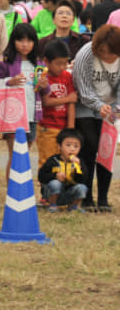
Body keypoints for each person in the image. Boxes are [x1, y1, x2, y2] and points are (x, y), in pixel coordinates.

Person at [72, 24, 120, 212]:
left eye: (110, 53)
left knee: (106, 150)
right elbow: (83, 88)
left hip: (112, 107)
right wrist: (99, 106)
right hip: (85, 105)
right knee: (89, 146)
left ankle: (103, 198)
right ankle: (87, 197)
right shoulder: (86, 54)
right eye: (102, 52)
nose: (105, 56)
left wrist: (115, 110)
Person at [0, 23, 40, 180]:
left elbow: (44, 91)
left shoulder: (38, 64)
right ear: (13, 41)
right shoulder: (6, 64)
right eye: (20, 40)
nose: (25, 44)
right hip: (14, 116)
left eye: (29, 40)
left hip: (32, 116)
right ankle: (11, 193)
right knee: (15, 155)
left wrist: (44, 86)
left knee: (25, 155)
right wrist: (10, 81)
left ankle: (22, 190)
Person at [37, 39, 76, 170]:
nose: (62, 67)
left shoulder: (67, 77)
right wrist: (68, 98)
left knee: (65, 163)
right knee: (47, 162)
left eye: (65, 63)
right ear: (46, 61)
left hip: (63, 127)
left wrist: (70, 131)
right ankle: (47, 189)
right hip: (47, 127)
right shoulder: (44, 77)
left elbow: (72, 102)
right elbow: (46, 101)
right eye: (58, 63)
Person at [37, 128, 88, 213]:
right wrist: (55, 176)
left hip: (68, 194)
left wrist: (78, 168)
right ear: (59, 146)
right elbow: (41, 176)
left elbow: (82, 180)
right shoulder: (53, 160)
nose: (72, 149)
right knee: (55, 183)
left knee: (82, 188)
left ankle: (73, 206)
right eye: (68, 145)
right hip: (51, 193)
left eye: (76, 146)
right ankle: (52, 205)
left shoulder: (79, 162)